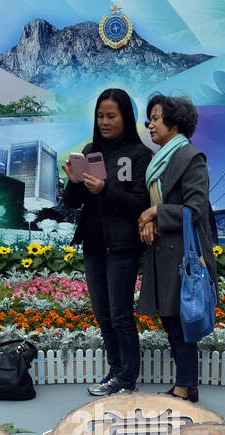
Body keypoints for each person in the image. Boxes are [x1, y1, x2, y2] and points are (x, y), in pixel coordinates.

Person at [63, 89, 153, 397]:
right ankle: (115, 372)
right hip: (94, 245)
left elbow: (140, 203)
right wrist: (74, 183)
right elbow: (73, 203)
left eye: (111, 116)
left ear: (125, 117)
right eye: (100, 116)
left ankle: (127, 378)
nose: (104, 121)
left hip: (123, 247)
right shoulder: (91, 151)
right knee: (103, 314)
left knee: (121, 315)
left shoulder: (140, 155)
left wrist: (104, 189)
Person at [136, 93, 218, 403]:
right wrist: (149, 219)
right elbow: (160, 202)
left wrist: (157, 213)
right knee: (172, 320)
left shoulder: (191, 158)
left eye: (156, 118)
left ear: (174, 123)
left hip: (183, 254)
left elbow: (195, 209)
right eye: (150, 118)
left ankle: (185, 387)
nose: (151, 125)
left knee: (182, 320)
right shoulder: (162, 160)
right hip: (164, 252)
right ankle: (186, 383)